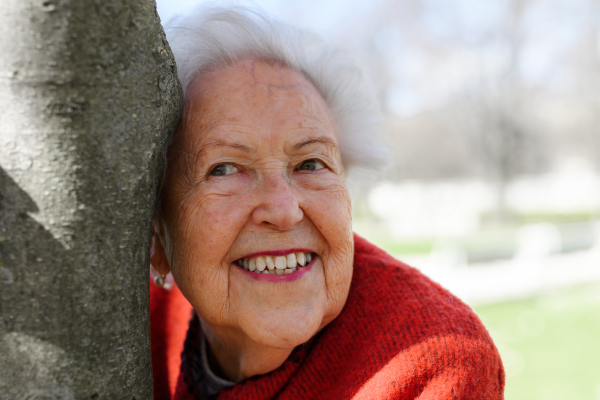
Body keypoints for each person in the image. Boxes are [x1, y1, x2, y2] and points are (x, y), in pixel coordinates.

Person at [149, 4, 505, 400]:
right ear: (158, 240)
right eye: (226, 169)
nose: (284, 210)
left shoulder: (430, 366)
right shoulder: (135, 314)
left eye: (310, 164)